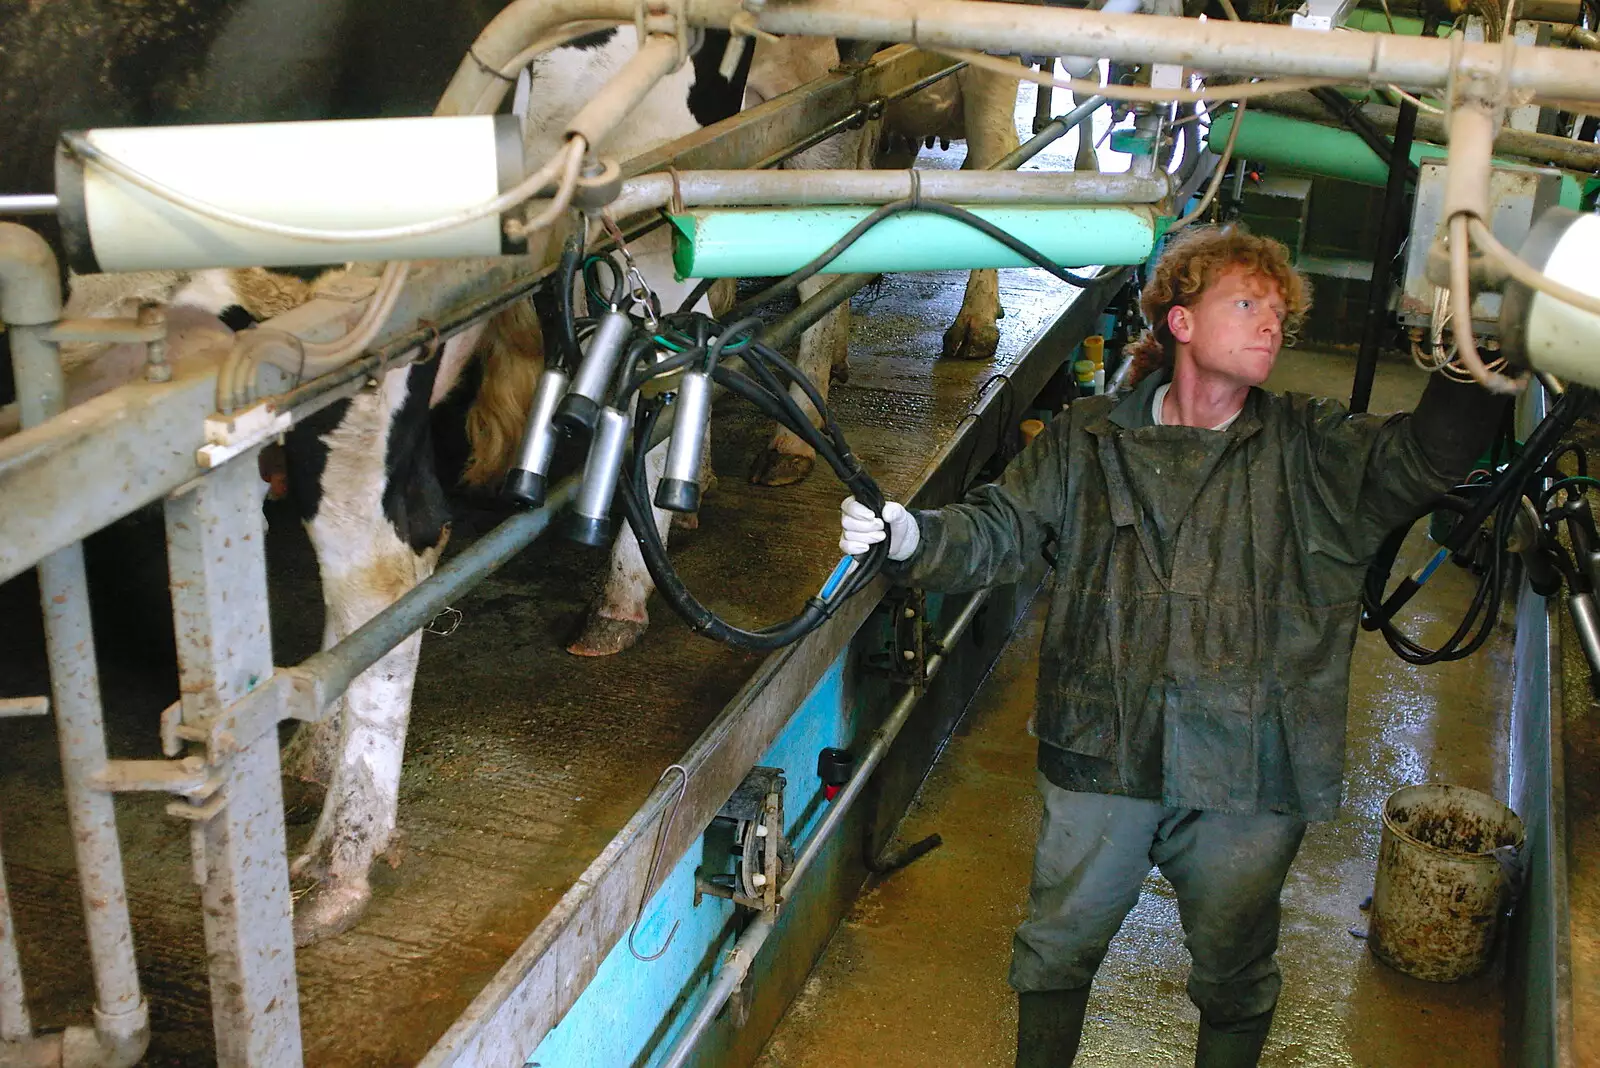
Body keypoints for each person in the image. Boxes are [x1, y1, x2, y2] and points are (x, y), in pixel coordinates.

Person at [837, 224, 1506, 1068]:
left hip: (1251, 767)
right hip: (1102, 745)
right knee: (1056, 946)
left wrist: (1488, 361)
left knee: (1234, 970)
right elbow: (1002, 529)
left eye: (1277, 311)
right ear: (1181, 322)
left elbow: (1425, 457)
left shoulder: (1312, 450)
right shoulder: (1088, 439)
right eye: (1245, 303)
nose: (1270, 322)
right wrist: (912, 539)